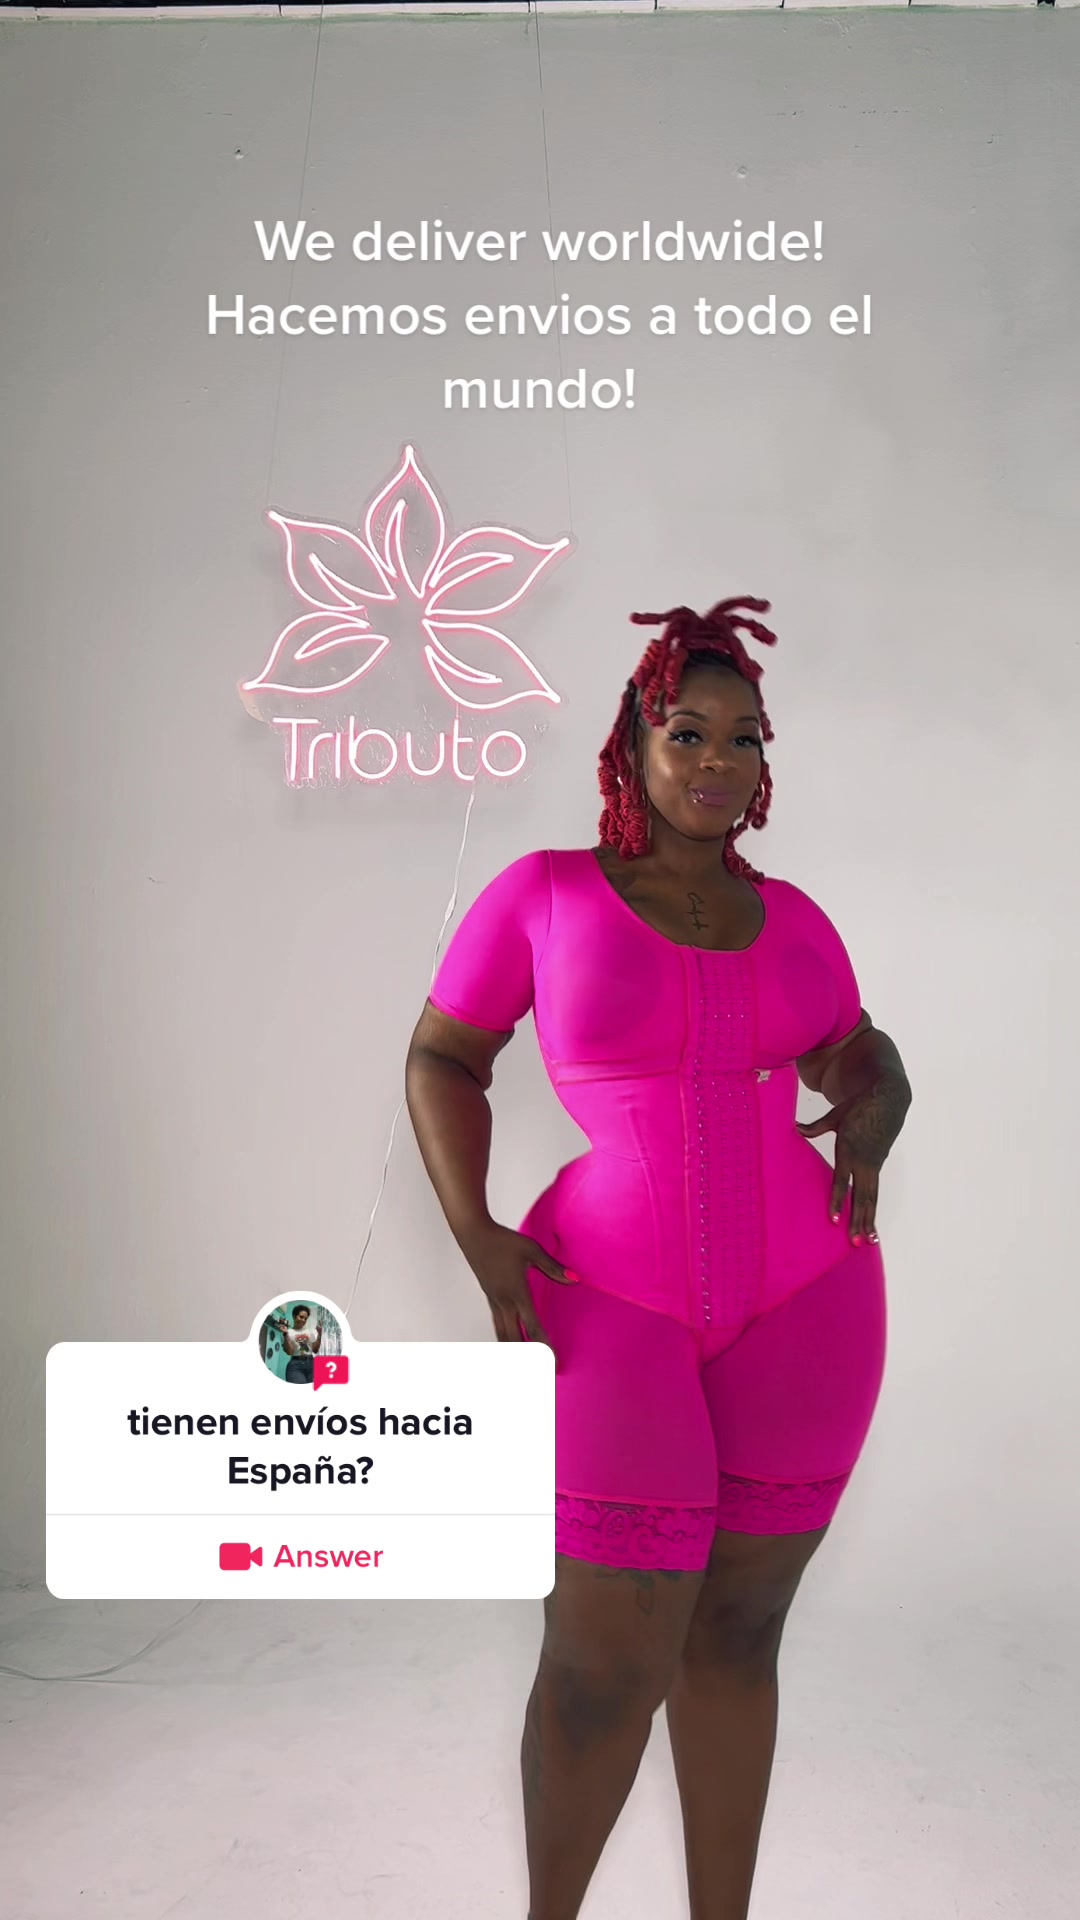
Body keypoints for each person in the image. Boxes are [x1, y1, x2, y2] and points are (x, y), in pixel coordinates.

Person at [405, 598, 912, 1920]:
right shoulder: (545, 896)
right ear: (630, 745)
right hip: (607, 1303)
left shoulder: (795, 919)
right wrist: (476, 1231)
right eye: (687, 731)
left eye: (745, 738)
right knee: (602, 1666)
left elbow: (849, 1046)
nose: (717, 760)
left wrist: (882, 1087)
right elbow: (446, 1056)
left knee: (738, 1640)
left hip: (812, 1298)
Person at [274, 1303, 322, 1385]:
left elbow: (315, 1350)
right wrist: (286, 1335)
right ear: (294, 1316)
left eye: (305, 1318)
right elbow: (290, 1352)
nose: (303, 1320)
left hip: (312, 1364)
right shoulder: (288, 1332)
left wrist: (319, 1334)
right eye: (301, 1317)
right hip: (295, 1366)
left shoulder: (310, 1331)